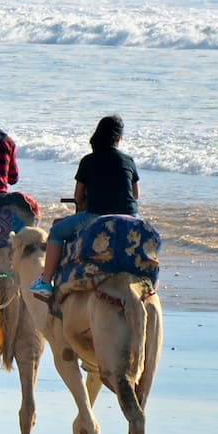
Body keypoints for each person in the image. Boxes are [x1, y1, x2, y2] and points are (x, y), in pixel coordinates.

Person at [33, 115, 140, 297]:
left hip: (96, 217)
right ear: (118, 139)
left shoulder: (88, 160)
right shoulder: (129, 161)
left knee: (57, 231)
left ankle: (45, 282)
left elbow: (78, 196)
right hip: (131, 219)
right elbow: (135, 195)